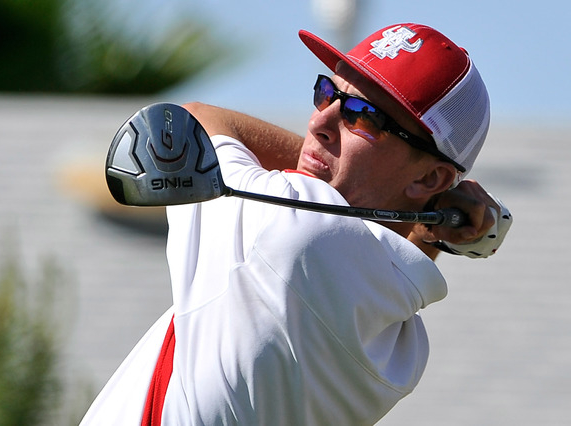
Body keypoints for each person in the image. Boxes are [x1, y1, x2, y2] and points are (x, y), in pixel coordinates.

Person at [81, 23, 512, 425]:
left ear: (427, 178)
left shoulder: (293, 227)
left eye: (363, 116)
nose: (319, 122)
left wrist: (428, 210)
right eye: (327, 93)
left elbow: (187, 123)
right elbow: (401, 244)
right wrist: (433, 212)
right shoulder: (402, 347)